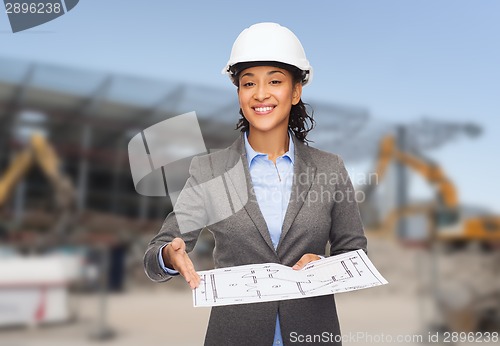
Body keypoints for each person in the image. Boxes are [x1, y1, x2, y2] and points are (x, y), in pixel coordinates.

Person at [143, 22, 367, 346]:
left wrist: (324, 268)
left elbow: (354, 253)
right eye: (249, 83)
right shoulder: (210, 170)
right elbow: (156, 252)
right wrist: (168, 255)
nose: (260, 94)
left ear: (295, 90)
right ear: (239, 93)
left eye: (274, 81)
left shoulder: (330, 168)